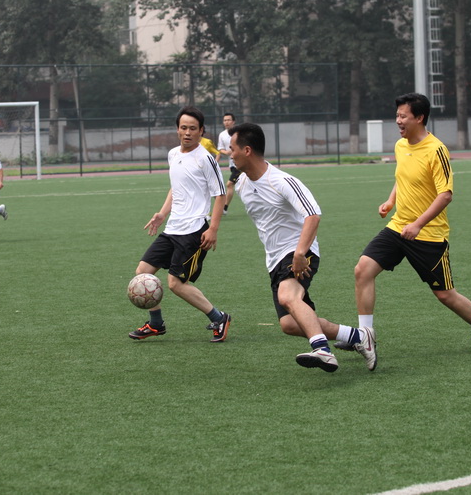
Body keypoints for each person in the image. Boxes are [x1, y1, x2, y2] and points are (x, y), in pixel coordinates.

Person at [353, 92, 471, 362]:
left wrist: (418, 224)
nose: (398, 121)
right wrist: (391, 201)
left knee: (445, 294)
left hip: (428, 235)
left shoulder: (436, 150)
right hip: (398, 227)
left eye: (403, 116)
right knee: (362, 270)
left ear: (419, 118)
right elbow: (403, 178)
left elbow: (446, 195)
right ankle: (365, 336)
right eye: (397, 115)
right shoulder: (400, 145)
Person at [228, 122, 375, 372]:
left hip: (299, 252)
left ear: (247, 150)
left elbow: (313, 215)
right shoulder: (242, 184)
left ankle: (323, 350)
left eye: (232, 149)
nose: (230, 154)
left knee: (288, 297)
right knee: (289, 324)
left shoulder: (282, 181)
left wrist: (299, 253)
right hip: (275, 260)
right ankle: (359, 337)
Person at [128, 106, 232, 343]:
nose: (187, 132)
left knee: (176, 283)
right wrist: (162, 213)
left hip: (194, 231)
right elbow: (176, 188)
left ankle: (219, 318)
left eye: (193, 128)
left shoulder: (205, 159)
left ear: (201, 131)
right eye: (183, 128)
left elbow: (220, 194)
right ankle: (156, 324)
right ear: (177, 129)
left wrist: (213, 229)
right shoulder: (173, 154)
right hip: (172, 228)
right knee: (142, 272)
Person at [216, 112, 240, 212]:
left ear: (233, 121)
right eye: (225, 120)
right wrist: (226, 152)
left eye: (228, 120)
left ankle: (224, 208)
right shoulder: (222, 135)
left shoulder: (239, 133)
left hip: (241, 164)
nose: (226, 122)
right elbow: (220, 149)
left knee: (230, 184)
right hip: (232, 165)